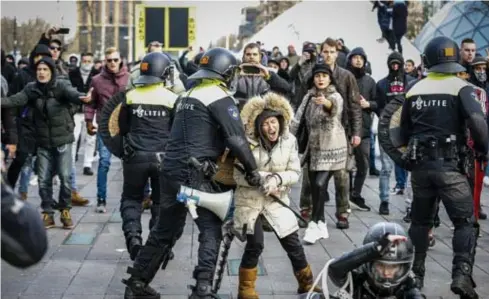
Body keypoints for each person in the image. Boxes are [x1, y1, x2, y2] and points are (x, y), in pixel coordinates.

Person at [121, 47, 261, 299]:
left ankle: (137, 283)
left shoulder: (188, 94)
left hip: (171, 172)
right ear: (225, 73)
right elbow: (237, 140)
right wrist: (253, 171)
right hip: (195, 174)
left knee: (164, 230)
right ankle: (203, 289)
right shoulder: (219, 97)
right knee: (210, 229)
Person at [399, 36, 488, 299]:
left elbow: (401, 133)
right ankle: (461, 275)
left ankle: (416, 273)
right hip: (450, 168)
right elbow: (478, 125)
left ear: (428, 59)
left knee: (420, 221)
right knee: (465, 223)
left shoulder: (414, 89)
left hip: (421, 170)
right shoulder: (462, 87)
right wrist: (483, 150)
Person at [234, 92, 321, 298]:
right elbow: (237, 175)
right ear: (258, 126)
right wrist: (261, 178)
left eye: (273, 122)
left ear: (280, 122)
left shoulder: (289, 140)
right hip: (250, 201)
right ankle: (245, 291)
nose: (270, 128)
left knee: (293, 243)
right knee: (255, 244)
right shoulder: (246, 142)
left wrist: (276, 180)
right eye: (265, 124)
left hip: (277, 200)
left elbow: (294, 172)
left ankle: (306, 284)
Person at [111, 52, 178, 260]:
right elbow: (177, 131)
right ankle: (158, 247)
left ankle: (133, 239)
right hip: (163, 159)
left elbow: (122, 128)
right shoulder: (172, 99)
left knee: (131, 199)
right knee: (161, 202)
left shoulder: (130, 96)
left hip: (135, 158)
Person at [291, 63, 348, 240]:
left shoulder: (335, 96)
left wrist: (326, 103)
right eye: (317, 76)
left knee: (319, 184)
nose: (321, 79)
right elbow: (298, 119)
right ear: (313, 79)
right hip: (314, 149)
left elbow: (334, 109)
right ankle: (321, 222)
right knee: (316, 188)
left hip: (332, 148)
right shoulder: (308, 96)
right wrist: (288, 138)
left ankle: (314, 224)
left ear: (330, 78)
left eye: (324, 75)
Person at [303, 222, 424, 299]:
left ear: (403, 268)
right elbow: (335, 269)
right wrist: (375, 248)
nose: (387, 272)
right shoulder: (359, 277)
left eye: (393, 267)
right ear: (369, 263)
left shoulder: (409, 285)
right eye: (381, 266)